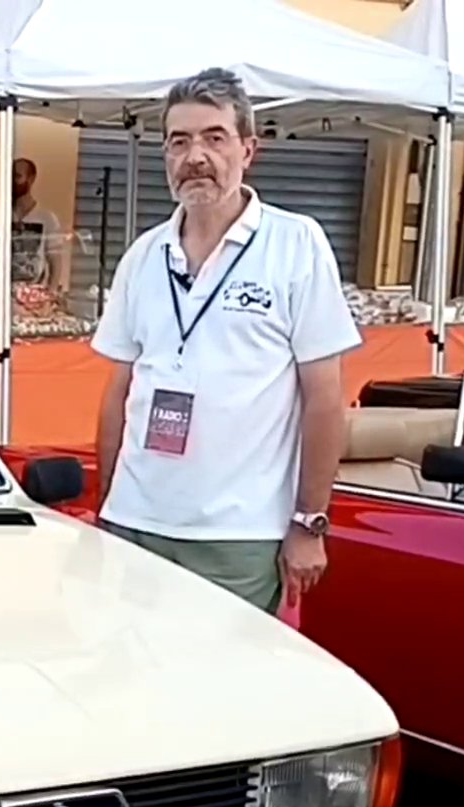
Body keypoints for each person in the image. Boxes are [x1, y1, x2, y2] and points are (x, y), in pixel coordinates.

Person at [91, 67, 358, 615]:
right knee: (127, 688)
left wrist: (310, 521)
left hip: (237, 535)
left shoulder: (295, 245)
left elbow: (325, 398)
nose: (196, 156)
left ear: (248, 149)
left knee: (221, 692)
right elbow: (118, 391)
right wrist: (107, 506)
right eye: (179, 141)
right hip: (134, 525)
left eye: (215, 138)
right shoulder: (143, 255)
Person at [0, 157, 68, 289]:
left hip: (33, 293)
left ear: (31, 179)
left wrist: (52, 292)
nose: (13, 182)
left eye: (17, 176)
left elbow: (55, 260)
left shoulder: (47, 219)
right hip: (2, 293)